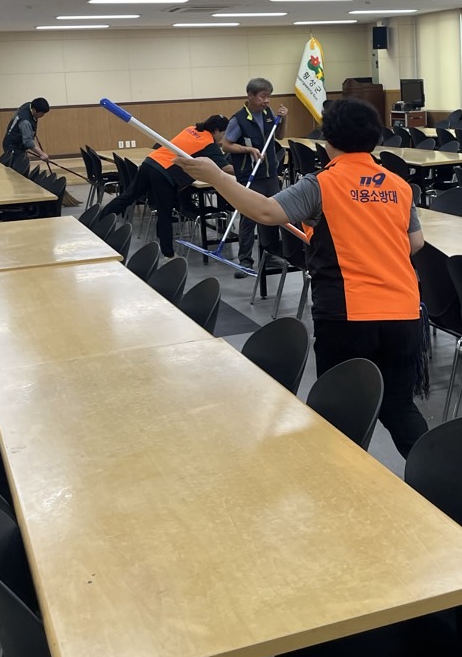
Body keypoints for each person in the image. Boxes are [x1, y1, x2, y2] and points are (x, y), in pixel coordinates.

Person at [177, 98, 428, 458]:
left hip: (348, 314)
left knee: (339, 411)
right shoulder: (398, 185)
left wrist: (217, 177)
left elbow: (267, 212)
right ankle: (438, 482)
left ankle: (341, 480)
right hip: (403, 312)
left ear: (329, 139)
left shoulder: (323, 183)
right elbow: (414, 243)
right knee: (398, 406)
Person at [99, 115, 233, 258]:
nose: (223, 138)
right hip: (163, 174)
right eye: (223, 134)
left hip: (149, 163)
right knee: (164, 214)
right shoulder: (209, 144)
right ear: (216, 130)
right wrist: (245, 171)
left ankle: (98, 222)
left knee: (127, 197)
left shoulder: (191, 129)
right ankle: (168, 254)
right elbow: (225, 168)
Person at [220, 78, 288, 275]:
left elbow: (280, 136)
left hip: (270, 174)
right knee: (249, 218)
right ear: (250, 95)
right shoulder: (239, 119)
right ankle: (245, 261)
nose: (266, 101)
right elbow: (226, 145)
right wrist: (248, 149)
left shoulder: (268, 113)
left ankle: (271, 254)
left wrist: (284, 118)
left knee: (272, 215)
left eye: (269, 97)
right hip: (249, 174)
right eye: (262, 97)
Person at [2, 97, 51, 162]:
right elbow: (28, 142)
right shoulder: (25, 121)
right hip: (12, 146)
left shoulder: (30, 105)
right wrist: (41, 154)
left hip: (19, 145)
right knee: (17, 166)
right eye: (42, 113)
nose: (43, 115)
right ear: (34, 110)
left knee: (22, 162)